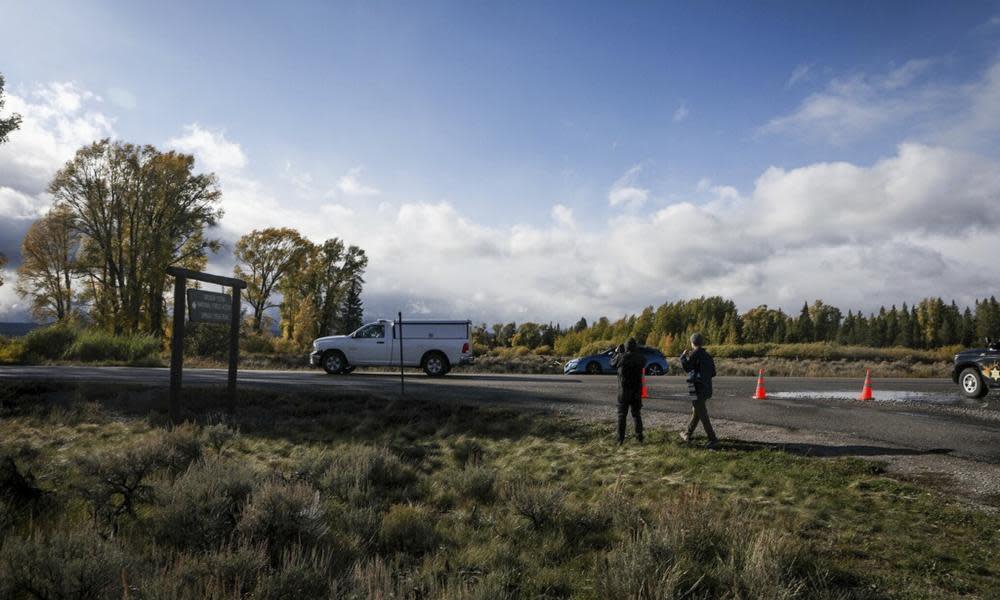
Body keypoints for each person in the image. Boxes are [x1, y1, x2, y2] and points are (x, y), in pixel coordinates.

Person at [679, 332, 719, 449]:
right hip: (707, 388)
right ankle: (687, 433)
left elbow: (687, 368)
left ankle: (713, 439)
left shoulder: (694, 354)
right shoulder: (707, 355)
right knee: (697, 411)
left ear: (692, 343)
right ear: (701, 343)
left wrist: (683, 357)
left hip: (695, 388)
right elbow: (713, 373)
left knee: (702, 414)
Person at [611, 338, 646, 445]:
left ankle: (620, 440)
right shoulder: (640, 358)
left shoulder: (621, 357)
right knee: (636, 415)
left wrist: (617, 352)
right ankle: (639, 437)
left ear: (626, 348)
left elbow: (612, 363)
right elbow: (643, 361)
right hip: (636, 391)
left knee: (622, 415)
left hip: (623, 391)